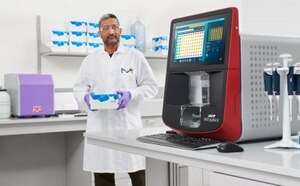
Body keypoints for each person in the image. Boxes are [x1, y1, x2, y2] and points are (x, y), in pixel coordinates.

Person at [73, 13, 158, 186]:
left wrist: (131, 95)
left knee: (137, 173)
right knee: (103, 175)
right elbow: (79, 88)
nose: (110, 31)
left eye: (114, 27)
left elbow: (151, 86)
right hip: (100, 127)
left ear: (120, 30)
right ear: (99, 33)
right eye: (106, 28)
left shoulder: (135, 56)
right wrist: (86, 99)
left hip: (127, 126)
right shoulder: (90, 61)